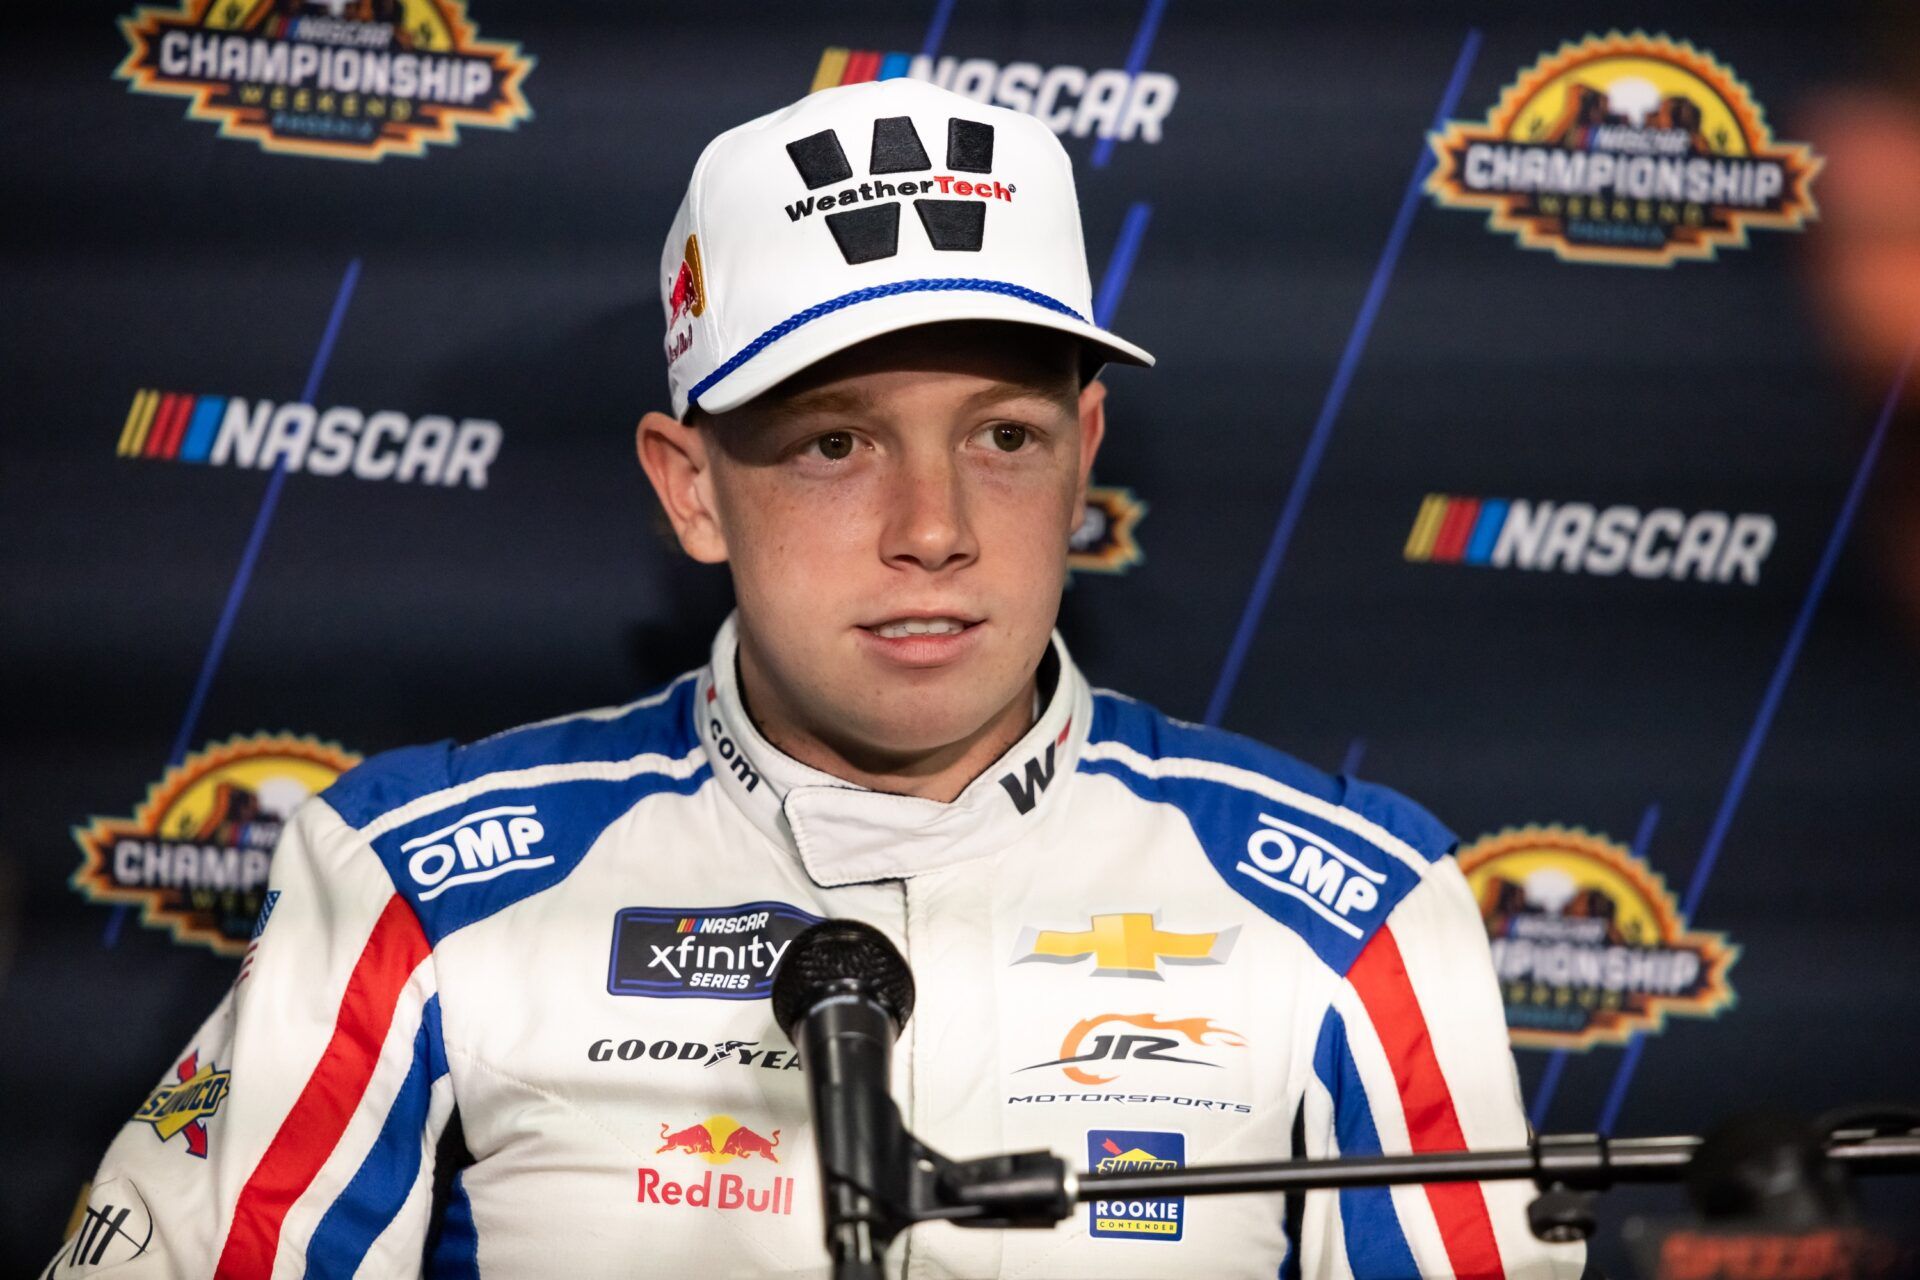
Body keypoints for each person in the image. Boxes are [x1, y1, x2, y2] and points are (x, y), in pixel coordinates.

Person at [55, 78, 1585, 1280]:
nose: (933, 532)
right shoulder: (410, 882)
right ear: (692, 488)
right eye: (833, 444)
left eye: (1002, 435)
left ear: (1083, 459)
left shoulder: (1359, 904)